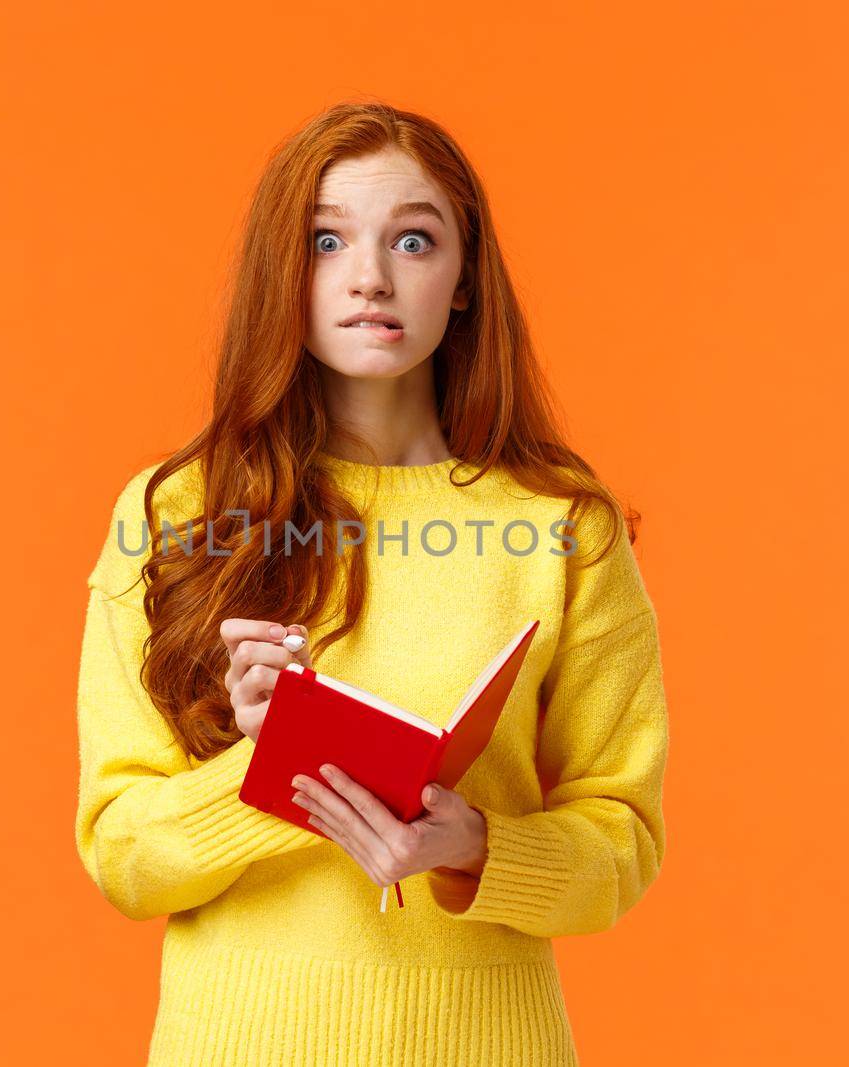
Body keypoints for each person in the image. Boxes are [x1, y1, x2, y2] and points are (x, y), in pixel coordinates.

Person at [75, 100, 670, 1066]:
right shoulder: (174, 511)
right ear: (284, 271)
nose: (369, 279)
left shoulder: (565, 526)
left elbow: (622, 842)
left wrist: (474, 845)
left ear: (466, 276)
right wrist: (270, 773)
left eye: (413, 239)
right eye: (325, 240)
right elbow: (121, 857)